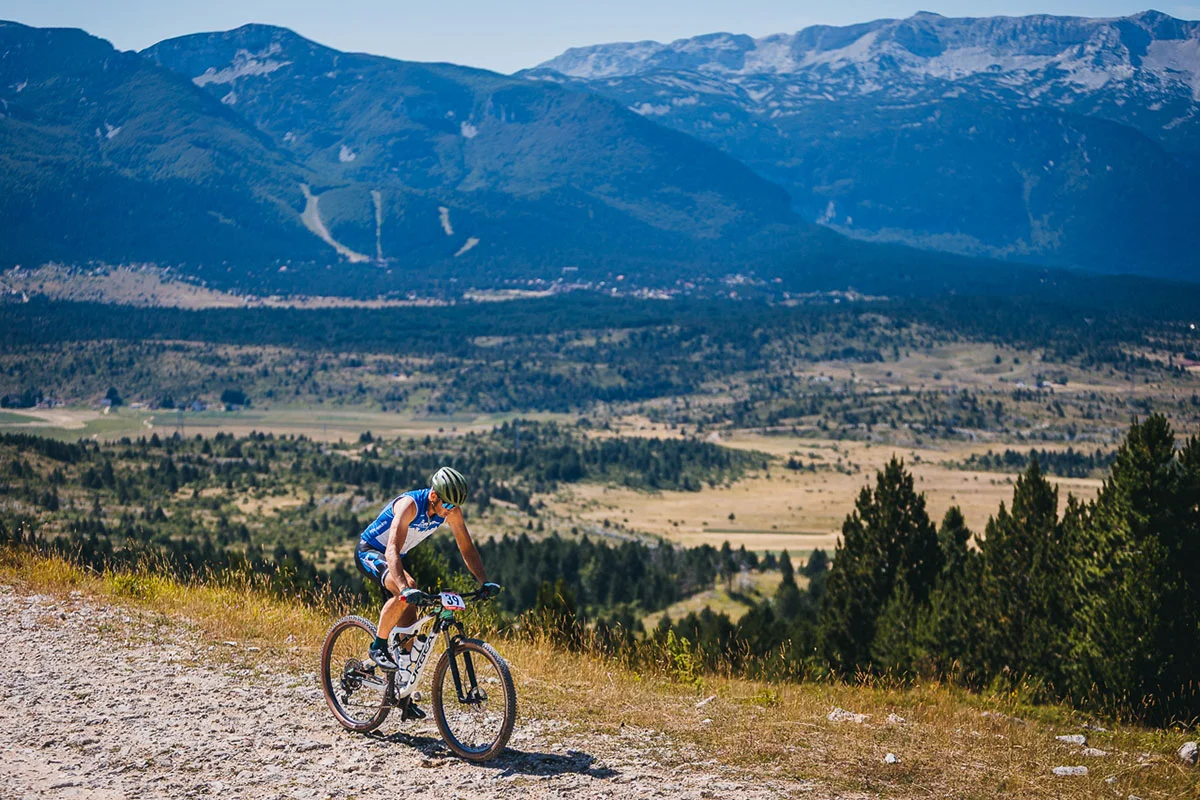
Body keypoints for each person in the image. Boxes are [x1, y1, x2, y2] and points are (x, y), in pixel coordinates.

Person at [355, 467, 498, 694]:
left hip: (397, 557)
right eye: (448, 505)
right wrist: (403, 587)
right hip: (371, 551)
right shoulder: (409, 505)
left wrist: (484, 582)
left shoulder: (451, 512)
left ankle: (401, 692)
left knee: (410, 625)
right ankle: (378, 646)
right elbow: (391, 548)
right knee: (408, 589)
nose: (450, 511)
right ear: (433, 496)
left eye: (455, 506)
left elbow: (467, 548)